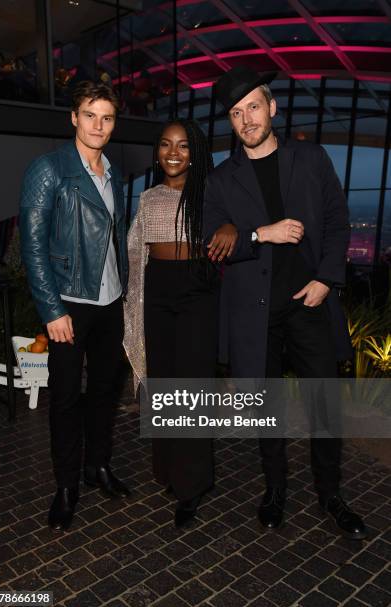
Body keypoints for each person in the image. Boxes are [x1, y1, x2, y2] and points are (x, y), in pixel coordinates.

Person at [203, 66, 366, 539]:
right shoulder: (220, 180)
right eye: (236, 113)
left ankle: (331, 494)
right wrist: (259, 234)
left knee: (324, 407)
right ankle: (275, 491)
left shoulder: (312, 159)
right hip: (255, 314)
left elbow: (337, 223)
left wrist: (326, 280)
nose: (246, 119)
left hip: (309, 304)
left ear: (272, 108)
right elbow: (215, 243)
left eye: (253, 106)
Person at [20, 81, 130, 532]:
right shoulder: (49, 169)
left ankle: (97, 466)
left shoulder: (114, 172)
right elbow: (32, 244)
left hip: (110, 301)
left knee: (105, 392)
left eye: (106, 117)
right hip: (68, 303)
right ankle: (66, 486)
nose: (98, 125)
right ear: (74, 117)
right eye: (90, 115)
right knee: (65, 399)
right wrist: (51, 309)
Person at [124, 119, 219, 527]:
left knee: (192, 385)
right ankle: (167, 469)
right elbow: (135, 253)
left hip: (197, 289)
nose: (173, 152)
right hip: (157, 291)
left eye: (182, 145)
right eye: (165, 144)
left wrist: (231, 225)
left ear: (195, 152)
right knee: (163, 381)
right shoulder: (147, 198)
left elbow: (232, 228)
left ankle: (192, 486)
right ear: (157, 151)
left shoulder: (212, 195)